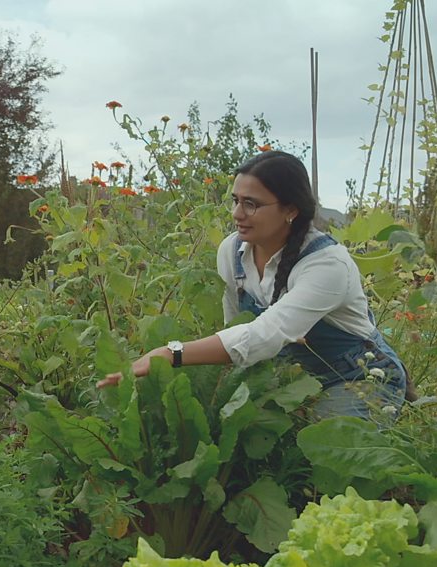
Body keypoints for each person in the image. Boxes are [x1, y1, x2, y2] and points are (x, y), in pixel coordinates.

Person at [97, 150, 407, 421]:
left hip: (360, 375)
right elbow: (236, 327)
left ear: (291, 210)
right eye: (235, 201)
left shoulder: (326, 264)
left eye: (251, 204)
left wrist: (171, 352)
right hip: (291, 379)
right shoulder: (233, 252)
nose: (236, 214)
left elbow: (262, 335)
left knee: (322, 446)